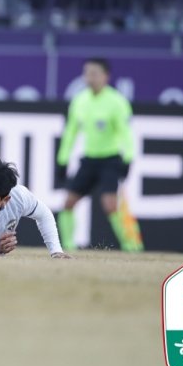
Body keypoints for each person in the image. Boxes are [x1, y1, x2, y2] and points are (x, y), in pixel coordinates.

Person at [55, 58, 142, 252]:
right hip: (89, 160)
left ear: (105, 76)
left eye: (94, 73)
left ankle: (133, 246)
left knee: (111, 205)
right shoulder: (80, 101)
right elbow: (70, 132)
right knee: (69, 202)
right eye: (86, 73)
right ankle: (68, 246)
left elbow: (126, 133)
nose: (89, 78)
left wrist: (128, 158)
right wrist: (62, 160)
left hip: (110, 159)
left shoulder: (117, 102)